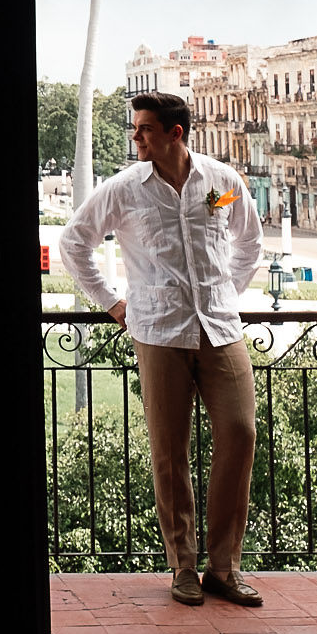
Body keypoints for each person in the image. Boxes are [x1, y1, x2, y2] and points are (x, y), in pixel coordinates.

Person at [57, 90, 267, 607]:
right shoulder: (125, 190)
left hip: (220, 328)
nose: (135, 137)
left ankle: (226, 567)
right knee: (169, 452)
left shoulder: (221, 183)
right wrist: (111, 302)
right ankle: (185, 567)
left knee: (240, 433)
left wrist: (225, 293)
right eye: (135, 128)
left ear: (175, 132)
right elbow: (73, 242)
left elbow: (249, 241)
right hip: (158, 333)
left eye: (145, 128)